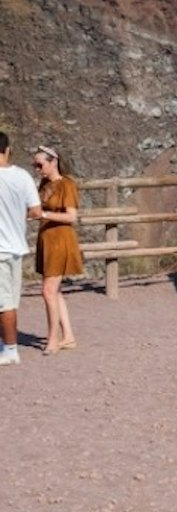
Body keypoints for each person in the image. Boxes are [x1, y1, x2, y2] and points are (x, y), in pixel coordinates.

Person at [33, 144, 84, 353]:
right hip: (47, 239)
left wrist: (44, 215)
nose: (37, 169)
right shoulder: (44, 185)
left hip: (61, 240)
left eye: (40, 164)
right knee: (55, 291)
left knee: (48, 291)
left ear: (53, 162)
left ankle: (52, 338)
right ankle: (68, 336)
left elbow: (71, 216)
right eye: (35, 165)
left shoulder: (66, 185)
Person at [0, 132, 42, 367]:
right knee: (9, 301)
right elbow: (35, 211)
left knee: (4, 304)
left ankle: (10, 349)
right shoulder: (23, 176)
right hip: (16, 247)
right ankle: (7, 343)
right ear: (7, 150)